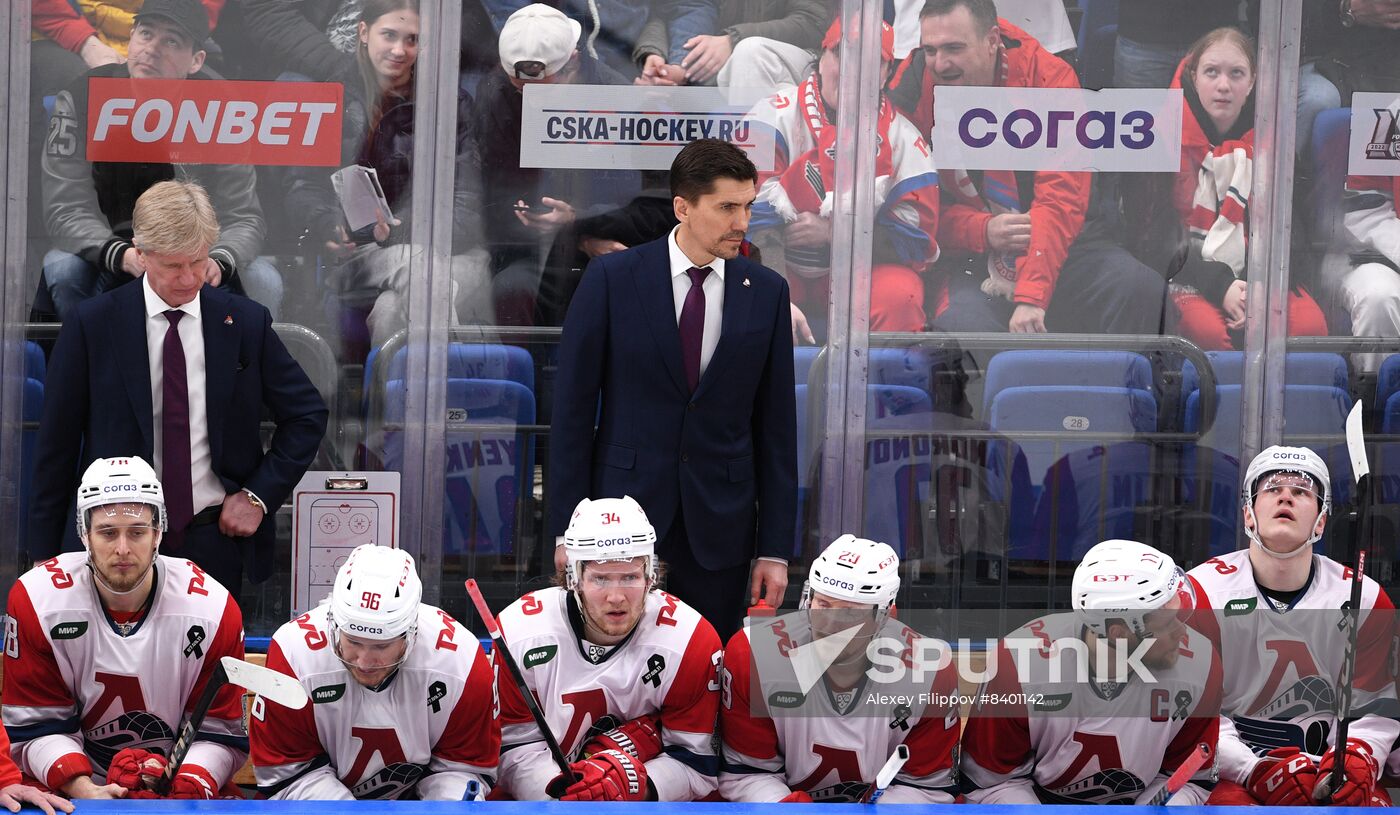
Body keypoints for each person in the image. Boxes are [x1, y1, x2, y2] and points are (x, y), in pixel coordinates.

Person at [548, 138, 796, 640]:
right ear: (683, 207)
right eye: (727, 207)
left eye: (748, 206)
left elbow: (777, 429)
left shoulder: (766, 291)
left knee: (710, 677)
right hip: (618, 528)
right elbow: (572, 414)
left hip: (722, 531)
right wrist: (565, 531)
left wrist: (773, 548)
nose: (742, 223)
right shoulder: (612, 278)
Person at [28, 180, 328, 596]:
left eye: (198, 261)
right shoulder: (93, 324)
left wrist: (258, 495)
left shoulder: (244, 323)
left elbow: (307, 414)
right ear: (141, 252)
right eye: (173, 265)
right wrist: (44, 557)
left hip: (214, 539)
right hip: (116, 544)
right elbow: (56, 446)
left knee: (215, 663)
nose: (189, 278)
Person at [908, 0, 1167, 336]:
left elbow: (1061, 196)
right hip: (968, 252)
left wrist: (1032, 295)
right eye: (931, 50)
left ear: (991, 41)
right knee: (964, 328)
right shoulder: (914, 81)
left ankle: (1123, 389)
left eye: (954, 48)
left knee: (1141, 289)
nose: (940, 64)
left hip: (1057, 241)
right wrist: (980, 229)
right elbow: (909, 204)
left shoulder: (1048, 76)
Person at [3, 457, 247, 800]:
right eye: (107, 532)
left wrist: (185, 787)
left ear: (158, 532)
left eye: (137, 532)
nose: (122, 549)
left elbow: (218, 733)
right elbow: (36, 727)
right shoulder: (38, 600)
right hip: (67, 791)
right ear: (84, 532)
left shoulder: (213, 608)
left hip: (173, 784)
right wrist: (84, 789)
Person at [39, 0, 283, 320]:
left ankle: (244, 368)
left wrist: (217, 259)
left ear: (196, 60)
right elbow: (64, 208)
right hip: (110, 245)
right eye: (145, 34)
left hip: (198, 252)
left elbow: (244, 217)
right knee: (63, 269)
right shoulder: (82, 96)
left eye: (171, 41)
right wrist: (121, 254)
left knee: (264, 281)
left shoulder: (222, 107)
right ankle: (84, 364)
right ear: (130, 39)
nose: (152, 49)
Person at [1185, 446, 1398, 806]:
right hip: (1233, 771)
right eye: (1271, 489)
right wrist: (1252, 770)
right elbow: (1191, 713)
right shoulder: (1201, 591)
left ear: (1321, 521)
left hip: (1328, 770)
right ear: (1248, 515)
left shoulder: (1364, 598)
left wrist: (1357, 759)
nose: (1286, 494)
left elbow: (1374, 704)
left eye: (1302, 491)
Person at [283, 0, 493, 348]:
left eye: (412, 39)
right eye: (389, 35)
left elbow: (467, 207)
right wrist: (327, 224)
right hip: (361, 256)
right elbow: (302, 186)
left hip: (446, 251)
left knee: (391, 311)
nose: (400, 50)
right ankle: (470, 385)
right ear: (363, 33)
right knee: (418, 269)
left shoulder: (450, 104)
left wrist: (396, 232)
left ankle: (386, 402)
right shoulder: (328, 99)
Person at [961, 539, 1222, 804]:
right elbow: (990, 783)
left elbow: (1187, 780)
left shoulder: (1202, 665)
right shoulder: (1018, 664)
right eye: (1168, 623)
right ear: (1119, 633)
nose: (1183, 631)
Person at [495, 497, 722, 801]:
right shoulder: (519, 633)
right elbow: (512, 748)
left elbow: (696, 764)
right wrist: (561, 796)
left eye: (630, 577)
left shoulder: (690, 640)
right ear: (573, 578)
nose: (616, 597)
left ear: (651, 576)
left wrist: (636, 786)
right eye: (600, 579)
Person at [719, 535, 961, 802]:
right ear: (807, 600)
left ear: (883, 616)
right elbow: (747, 774)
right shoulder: (753, 653)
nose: (829, 624)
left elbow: (927, 788)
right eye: (823, 604)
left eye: (850, 612)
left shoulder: (930, 670)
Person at [1127, 28, 1327, 351]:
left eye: (1236, 74)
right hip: (1189, 274)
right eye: (1211, 72)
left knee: (1309, 326)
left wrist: (1255, 286)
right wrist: (1221, 285)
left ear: (1252, 82)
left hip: (1259, 278)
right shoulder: (1159, 140)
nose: (1223, 85)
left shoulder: (1276, 143)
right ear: (1193, 77)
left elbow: (1294, 233)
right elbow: (1153, 241)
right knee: (1207, 333)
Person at [249, 544, 499, 799]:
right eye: (353, 642)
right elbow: (290, 773)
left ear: (411, 632)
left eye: (382, 646)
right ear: (333, 623)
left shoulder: (460, 661)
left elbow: (461, 768)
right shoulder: (294, 654)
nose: (365, 662)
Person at [746, 18, 940, 338]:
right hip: (779, 264)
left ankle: (883, 388)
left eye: (872, 61)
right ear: (822, 58)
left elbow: (916, 242)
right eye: (842, 54)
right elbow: (744, 218)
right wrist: (776, 298)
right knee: (748, 290)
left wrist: (838, 232)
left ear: (886, 74)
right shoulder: (771, 115)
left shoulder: (904, 138)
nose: (854, 70)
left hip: (858, 274)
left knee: (899, 296)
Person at [478, 4, 636, 325]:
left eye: (543, 90)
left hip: (598, 240)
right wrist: (524, 212)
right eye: (521, 90)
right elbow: (492, 189)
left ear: (573, 62)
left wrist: (579, 226)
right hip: (523, 247)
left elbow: (634, 197)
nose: (533, 101)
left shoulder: (614, 94)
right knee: (510, 290)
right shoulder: (496, 91)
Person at [631, 0, 827, 94]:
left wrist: (733, 40)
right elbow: (682, 8)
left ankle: (753, 167)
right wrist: (668, 63)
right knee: (655, 92)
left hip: (806, 70)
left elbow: (813, 22)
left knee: (751, 54)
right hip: (715, 73)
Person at [1332, 170, 1400, 372]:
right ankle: (1378, 395)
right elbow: (1364, 215)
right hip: (1372, 257)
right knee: (1379, 299)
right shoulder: (1377, 138)